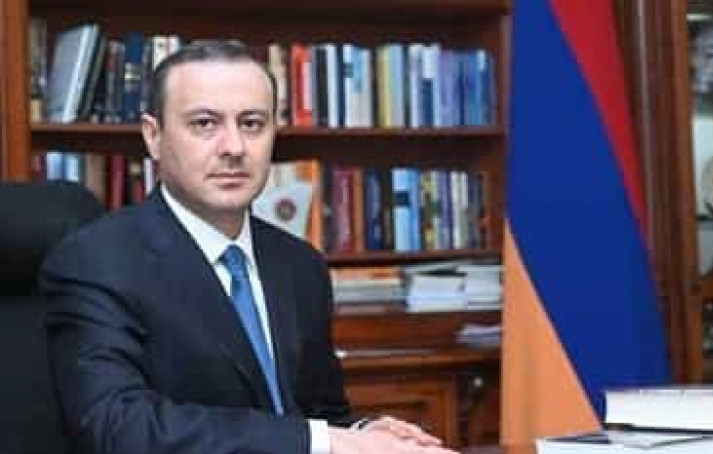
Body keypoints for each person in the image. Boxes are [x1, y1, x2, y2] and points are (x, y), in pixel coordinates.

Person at [42, 40, 458, 454]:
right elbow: (118, 427)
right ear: (153, 136)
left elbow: (319, 416)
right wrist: (328, 440)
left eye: (252, 124)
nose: (234, 147)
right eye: (205, 124)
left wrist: (368, 433)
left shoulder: (300, 264)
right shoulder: (96, 262)